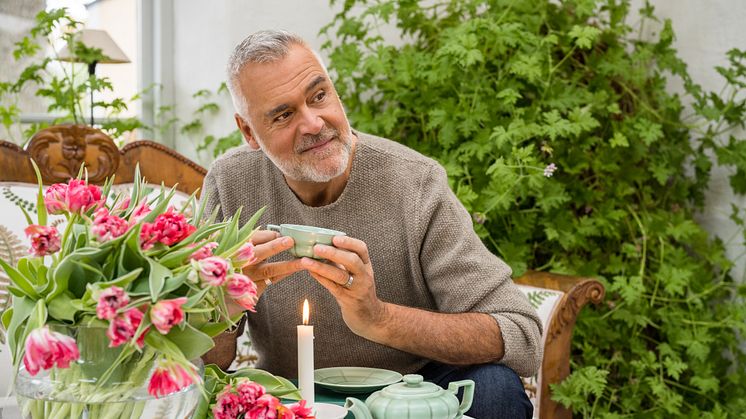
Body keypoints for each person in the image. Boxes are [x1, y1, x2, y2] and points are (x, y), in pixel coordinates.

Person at [202, 29, 542, 418]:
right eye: (283, 115)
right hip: (292, 396)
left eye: (318, 96)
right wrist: (226, 306)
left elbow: (521, 333)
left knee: (496, 389)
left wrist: (379, 319)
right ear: (249, 132)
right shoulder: (230, 185)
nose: (314, 123)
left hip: (412, 398)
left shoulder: (414, 182)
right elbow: (202, 362)